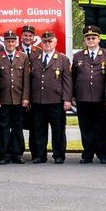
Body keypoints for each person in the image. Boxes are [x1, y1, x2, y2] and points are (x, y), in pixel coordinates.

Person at [29, 31, 72, 163]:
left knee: (58, 129)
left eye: (50, 41)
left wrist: (67, 99)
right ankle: (40, 155)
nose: (47, 44)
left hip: (56, 100)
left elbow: (67, 81)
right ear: (41, 43)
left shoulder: (62, 59)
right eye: (45, 41)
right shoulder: (34, 58)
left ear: (55, 42)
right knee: (39, 129)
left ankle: (59, 155)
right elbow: (30, 80)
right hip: (38, 100)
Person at [0, 30, 29, 164]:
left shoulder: (23, 57)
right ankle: (4, 154)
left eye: (13, 41)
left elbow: (26, 79)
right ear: (4, 42)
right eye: (8, 41)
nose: (10, 43)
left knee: (17, 127)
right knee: (3, 127)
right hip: (3, 99)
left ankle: (17, 154)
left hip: (18, 99)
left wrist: (25, 97)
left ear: (16, 42)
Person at [72, 27, 106, 163]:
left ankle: (103, 154)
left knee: (102, 127)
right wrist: (73, 95)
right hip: (83, 98)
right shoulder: (78, 56)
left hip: (101, 98)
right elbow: (73, 77)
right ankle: (87, 154)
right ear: (85, 40)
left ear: (99, 39)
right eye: (88, 38)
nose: (91, 41)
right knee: (86, 128)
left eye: (93, 38)